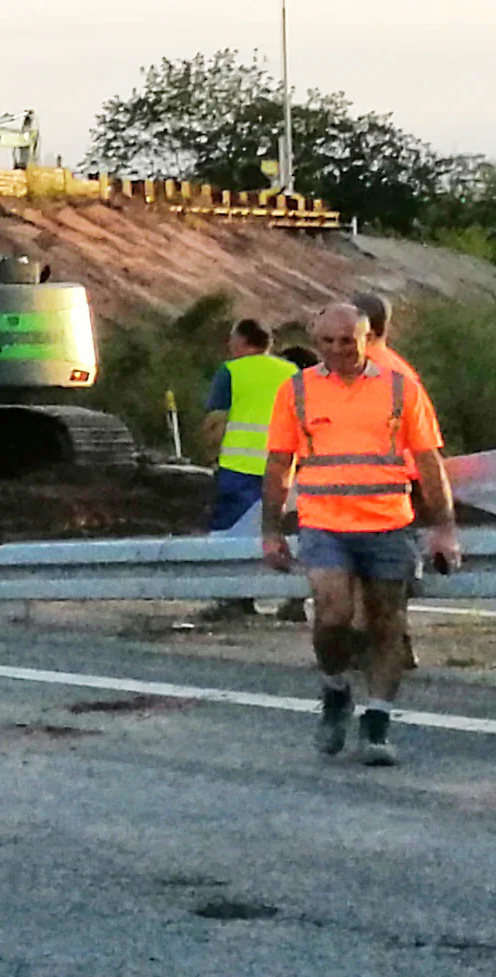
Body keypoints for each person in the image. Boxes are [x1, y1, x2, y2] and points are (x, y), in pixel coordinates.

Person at [263, 295, 460, 764]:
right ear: (315, 341)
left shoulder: (400, 389)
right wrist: (271, 528)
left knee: (387, 623)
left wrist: (444, 527)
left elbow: (430, 461)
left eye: (347, 341)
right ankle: (335, 689)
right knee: (332, 615)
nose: (337, 350)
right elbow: (277, 463)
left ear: (367, 339)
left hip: (388, 524)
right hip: (324, 523)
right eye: (327, 341)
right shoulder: (297, 391)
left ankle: (377, 723)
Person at [194, 315, 296, 535]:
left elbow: (216, 422)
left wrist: (211, 456)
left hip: (239, 469)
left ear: (242, 340)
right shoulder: (292, 372)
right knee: (276, 531)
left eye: (232, 338)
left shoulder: (231, 371)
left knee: (229, 535)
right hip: (283, 468)